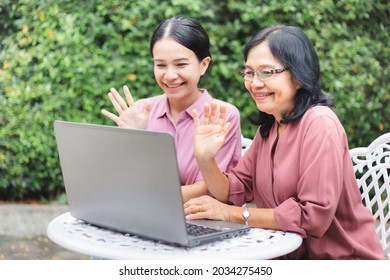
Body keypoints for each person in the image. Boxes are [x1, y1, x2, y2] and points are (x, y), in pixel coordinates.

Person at [184, 24, 384, 259]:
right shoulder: (271, 127)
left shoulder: (320, 124)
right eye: (249, 72)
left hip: (340, 263)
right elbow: (233, 190)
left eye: (266, 72)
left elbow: (312, 217)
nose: (255, 83)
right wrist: (205, 159)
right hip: (283, 257)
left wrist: (232, 214)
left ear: (299, 76)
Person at [101, 17, 242, 203]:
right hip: (144, 215)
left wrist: (150, 197)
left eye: (181, 64)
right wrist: (134, 141)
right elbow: (125, 180)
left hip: (201, 221)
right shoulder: (141, 111)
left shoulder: (222, 116)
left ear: (204, 65)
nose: (170, 75)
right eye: (160, 65)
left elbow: (211, 189)